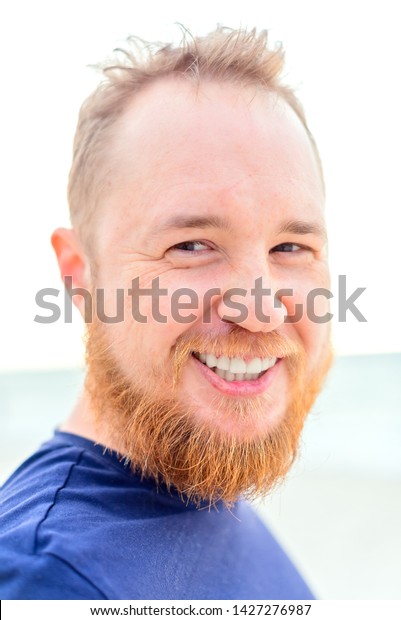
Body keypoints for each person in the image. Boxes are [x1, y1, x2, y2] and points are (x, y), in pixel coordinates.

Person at [0, 26, 333, 600]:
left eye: (290, 248)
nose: (258, 311)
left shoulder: (204, 483)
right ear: (80, 274)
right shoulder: (48, 577)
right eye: (191, 246)